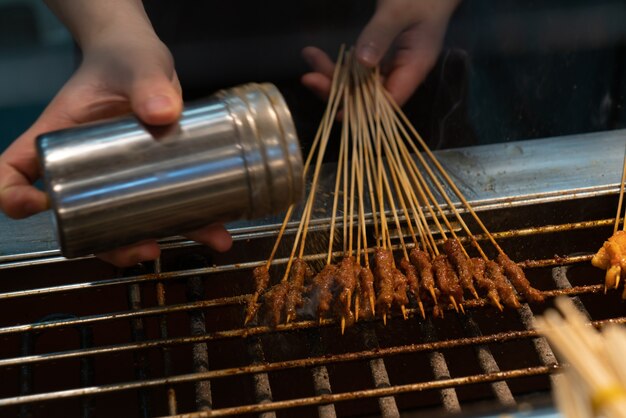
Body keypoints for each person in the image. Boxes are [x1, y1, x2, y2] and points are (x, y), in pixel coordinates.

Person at [0, 0, 459, 267]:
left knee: (426, 230)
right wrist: (111, 29)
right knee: (169, 258)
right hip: (172, 73)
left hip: (389, 49)